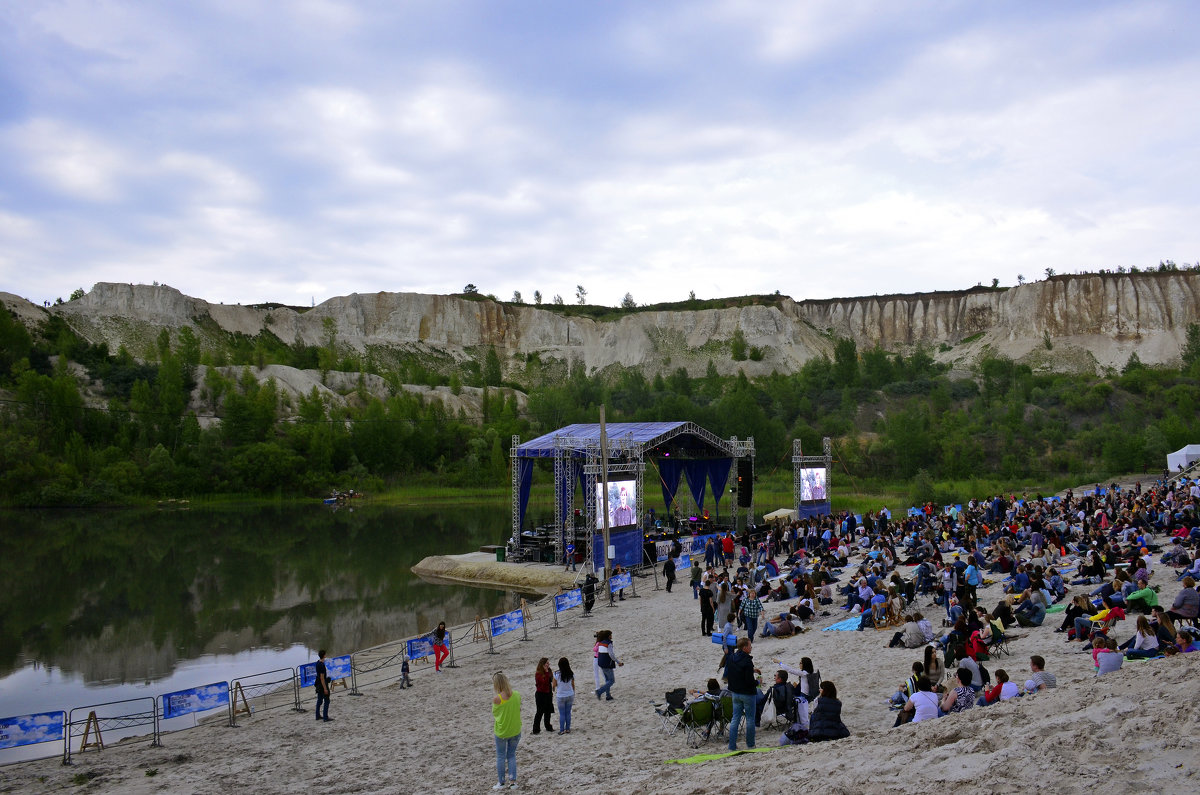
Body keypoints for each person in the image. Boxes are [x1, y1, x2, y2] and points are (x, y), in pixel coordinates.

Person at [724, 637, 760, 751]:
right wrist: (758, 682)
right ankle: (750, 744)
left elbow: (736, 670)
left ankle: (732, 746)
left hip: (735, 692)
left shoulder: (732, 658)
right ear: (744, 648)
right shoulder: (747, 661)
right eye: (749, 645)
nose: (751, 647)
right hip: (747, 694)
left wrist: (753, 670)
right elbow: (749, 681)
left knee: (735, 719)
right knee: (750, 719)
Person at [491, 672, 521, 790]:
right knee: (511, 755)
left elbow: (495, 713)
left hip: (502, 732)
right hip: (515, 730)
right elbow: (518, 709)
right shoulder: (517, 694)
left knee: (501, 756)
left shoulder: (497, 699)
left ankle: (501, 782)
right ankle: (513, 782)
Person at [594, 630, 622, 700]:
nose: (611, 636)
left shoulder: (601, 643)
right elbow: (611, 655)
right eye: (610, 635)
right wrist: (618, 662)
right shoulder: (608, 643)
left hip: (601, 663)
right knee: (611, 680)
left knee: (607, 680)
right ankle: (599, 691)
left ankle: (608, 696)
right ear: (608, 636)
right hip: (607, 664)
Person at [531, 658, 554, 734]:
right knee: (539, 712)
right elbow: (544, 682)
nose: (548, 664)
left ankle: (548, 726)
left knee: (548, 711)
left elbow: (551, 680)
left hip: (548, 693)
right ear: (543, 664)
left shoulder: (549, 671)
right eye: (546, 663)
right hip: (541, 694)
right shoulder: (538, 673)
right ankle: (536, 729)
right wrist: (547, 673)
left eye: (548, 663)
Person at [553, 657, 574, 735]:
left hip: (561, 695)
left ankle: (562, 730)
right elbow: (573, 685)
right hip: (570, 694)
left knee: (562, 713)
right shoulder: (571, 673)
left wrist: (554, 690)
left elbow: (554, 685)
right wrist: (573, 692)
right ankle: (568, 728)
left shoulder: (556, 674)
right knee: (568, 713)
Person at [314, 649, 332, 722]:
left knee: (319, 700)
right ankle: (325, 717)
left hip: (318, 684)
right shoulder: (321, 665)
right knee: (327, 700)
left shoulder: (318, 663)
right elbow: (322, 678)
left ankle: (317, 715)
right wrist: (325, 688)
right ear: (324, 655)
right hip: (322, 684)